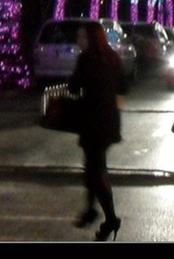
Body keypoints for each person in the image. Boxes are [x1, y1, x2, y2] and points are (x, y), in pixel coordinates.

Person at [68, 21, 126, 241]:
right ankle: (91, 210)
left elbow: (74, 87)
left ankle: (109, 218)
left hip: (92, 121)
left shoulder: (86, 59)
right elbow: (123, 88)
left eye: (81, 37)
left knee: (96, 170)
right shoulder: (113, 57)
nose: (79, 41)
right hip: (109, 121)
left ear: (90, 38)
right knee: (93, 167)